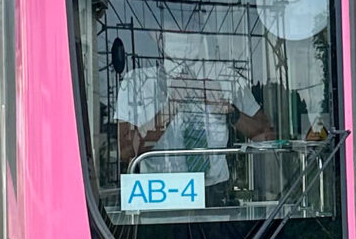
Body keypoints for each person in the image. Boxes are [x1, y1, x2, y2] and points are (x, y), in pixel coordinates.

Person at [115, 30, 272, 206]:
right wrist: (170, 107)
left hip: (216, 193)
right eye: (172, 26)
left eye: (190, 26)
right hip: (159, 195)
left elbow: (266, 136)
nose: (183, 32)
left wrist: (229, 111)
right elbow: (126, 152)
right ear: (156, 35)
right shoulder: (136, 82)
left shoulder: (227, 78)